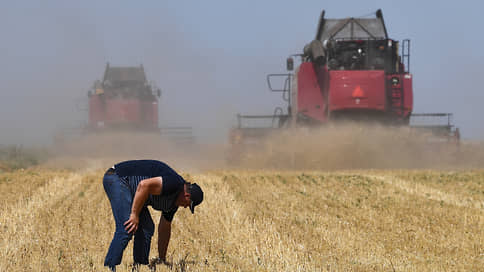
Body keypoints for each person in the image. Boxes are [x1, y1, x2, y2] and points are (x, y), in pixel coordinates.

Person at [102, 160, 204, 271]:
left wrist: (162, 259)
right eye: (188, 204)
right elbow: (143, 185)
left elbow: (164, 228)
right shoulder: (173, 183)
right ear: (186, 195)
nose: (185, 207)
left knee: (147, 228)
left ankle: (139, 267)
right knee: (127, 227)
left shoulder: (173, 204)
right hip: (118, 177)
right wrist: (135, 214)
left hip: (135, 192)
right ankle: (109, 267)